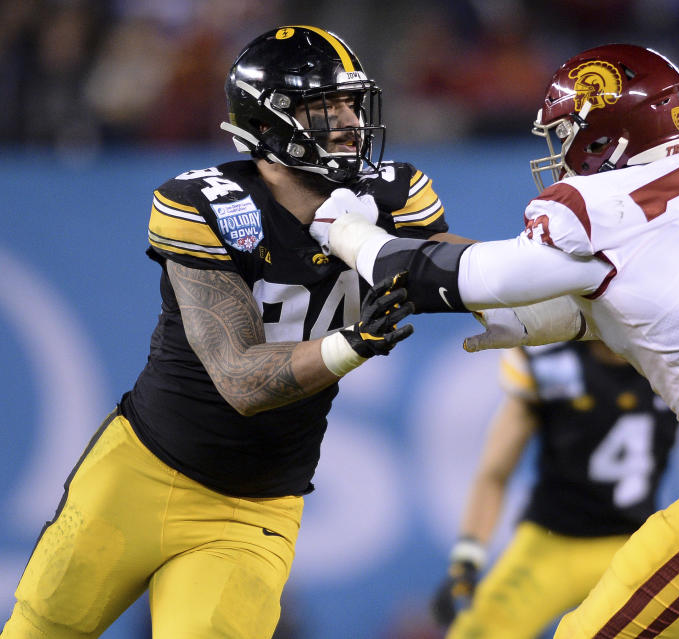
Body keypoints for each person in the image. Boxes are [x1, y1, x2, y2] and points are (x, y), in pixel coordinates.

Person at [317, 44, 679, 638]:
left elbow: (444, 277)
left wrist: (340, 229)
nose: (561, 148)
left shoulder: (595, 209)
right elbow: (649, 291)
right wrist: (547, 318)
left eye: (570, 130)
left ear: (612, 136)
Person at [0, 25, 457, 639]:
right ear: (269, 125)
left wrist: (561, 268)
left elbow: (474, 274)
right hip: (140, 474)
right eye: (326, 106)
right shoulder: (209, 205)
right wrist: (350, 345)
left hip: (253, 508)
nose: (350, 120)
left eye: (352, 102)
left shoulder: (392, 194)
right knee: (37, 632)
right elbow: (240, 377)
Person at [430, 341, 679, 637]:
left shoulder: (674, 358)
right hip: (552, 542)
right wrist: (467, 557)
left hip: (633, 546)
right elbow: (495, 472)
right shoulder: (550, 360)